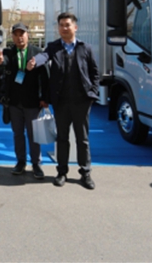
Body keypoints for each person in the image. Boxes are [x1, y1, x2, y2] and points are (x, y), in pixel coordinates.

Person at [27, 12, 99, 190]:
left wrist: (92, 93)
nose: (64, 28)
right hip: (61, 102)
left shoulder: (85, 48)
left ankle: (85, 173)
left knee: (82, 139)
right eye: (61, 25)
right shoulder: (54, 47)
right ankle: (61, 172)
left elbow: (95, 73)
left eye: (67, 25)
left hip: (82, 101)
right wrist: (35, 61)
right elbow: (44, 56)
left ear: (75, 27)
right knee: (62, 138)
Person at [0, 22, 48, 179]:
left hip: (33, 102)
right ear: (12, 37)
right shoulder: (8, 52)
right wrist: (0, 62)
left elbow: (45, 78)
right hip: (14, 102)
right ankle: (20, 162)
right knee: (18, 134)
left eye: (22, 34)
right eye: (16, 35)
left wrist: (44, 98)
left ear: (28, 35)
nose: (19, 38)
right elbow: (3, 63)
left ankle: (36, 164)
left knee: (34, 135)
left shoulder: (37, 53)